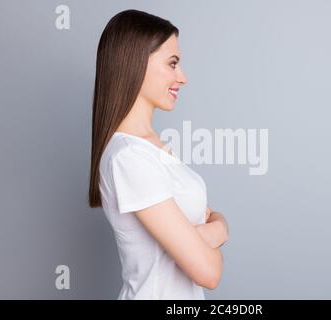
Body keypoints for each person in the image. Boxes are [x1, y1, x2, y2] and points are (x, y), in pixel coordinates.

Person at [88, 9, 229, 300]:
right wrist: (216, 233)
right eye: (172, 64)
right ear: (135, 64)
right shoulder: (129, 157)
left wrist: (215, 228)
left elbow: (210, 215)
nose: (183, 77)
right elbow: (209, 272)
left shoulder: (153, 148)